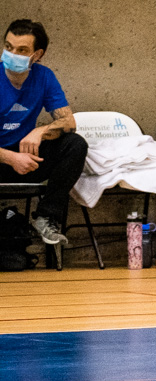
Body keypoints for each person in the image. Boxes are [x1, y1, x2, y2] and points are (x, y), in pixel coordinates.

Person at [0, 19, 86, 247]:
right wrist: (10, 158)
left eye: (22, 50)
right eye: (8, 47)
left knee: (74, 144)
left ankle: (46, 216)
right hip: (4, 159)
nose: (12, 54)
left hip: (26, 157)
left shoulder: (44, 77)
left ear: (37, 55)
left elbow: (69, 121)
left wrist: (41, 131)